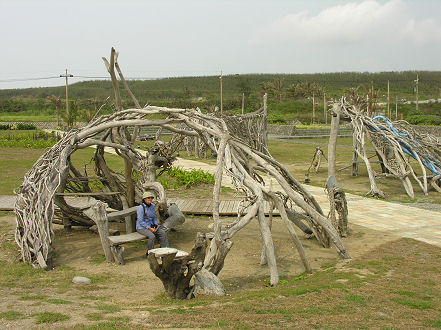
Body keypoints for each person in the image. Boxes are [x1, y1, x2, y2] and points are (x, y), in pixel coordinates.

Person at [136, 190, 169, 255]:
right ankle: (150, 253)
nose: (150, 199)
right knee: (152, 236)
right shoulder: (141, 208)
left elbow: (154, 217)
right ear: (144, 199)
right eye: (148, 198)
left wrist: (155, 225)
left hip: (151, 226)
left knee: (163, 233)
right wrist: (149, 228)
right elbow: (140, 221)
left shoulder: (152, 206)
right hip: (141, 227)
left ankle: (165, 250)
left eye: (151, 198)